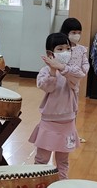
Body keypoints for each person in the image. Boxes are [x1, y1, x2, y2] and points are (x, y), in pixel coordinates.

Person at [30, 32, 82, 179]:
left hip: (67, 122)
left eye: (67, 48)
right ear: (50, 53)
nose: (65, 52)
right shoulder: (44, 71)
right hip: (49, 122)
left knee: (63, 161)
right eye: (60, 49)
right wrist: (53, 72)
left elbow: (77, 78)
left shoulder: (72, 70)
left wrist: (61, 68)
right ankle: (37, 184)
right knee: (41, 159)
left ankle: (61, 185)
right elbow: (47, 87)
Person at [59, 17, 89, 142]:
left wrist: (84, 71)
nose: (76, 35)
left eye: (79, 32)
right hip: (62, 84)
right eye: (73, 32)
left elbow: (85, 63)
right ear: (66, 32)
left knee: (74, 109)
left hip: (75, 84)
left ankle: (72, 135)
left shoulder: (81, 49)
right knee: (62, 109)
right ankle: (61, 134)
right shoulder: (62, 49)